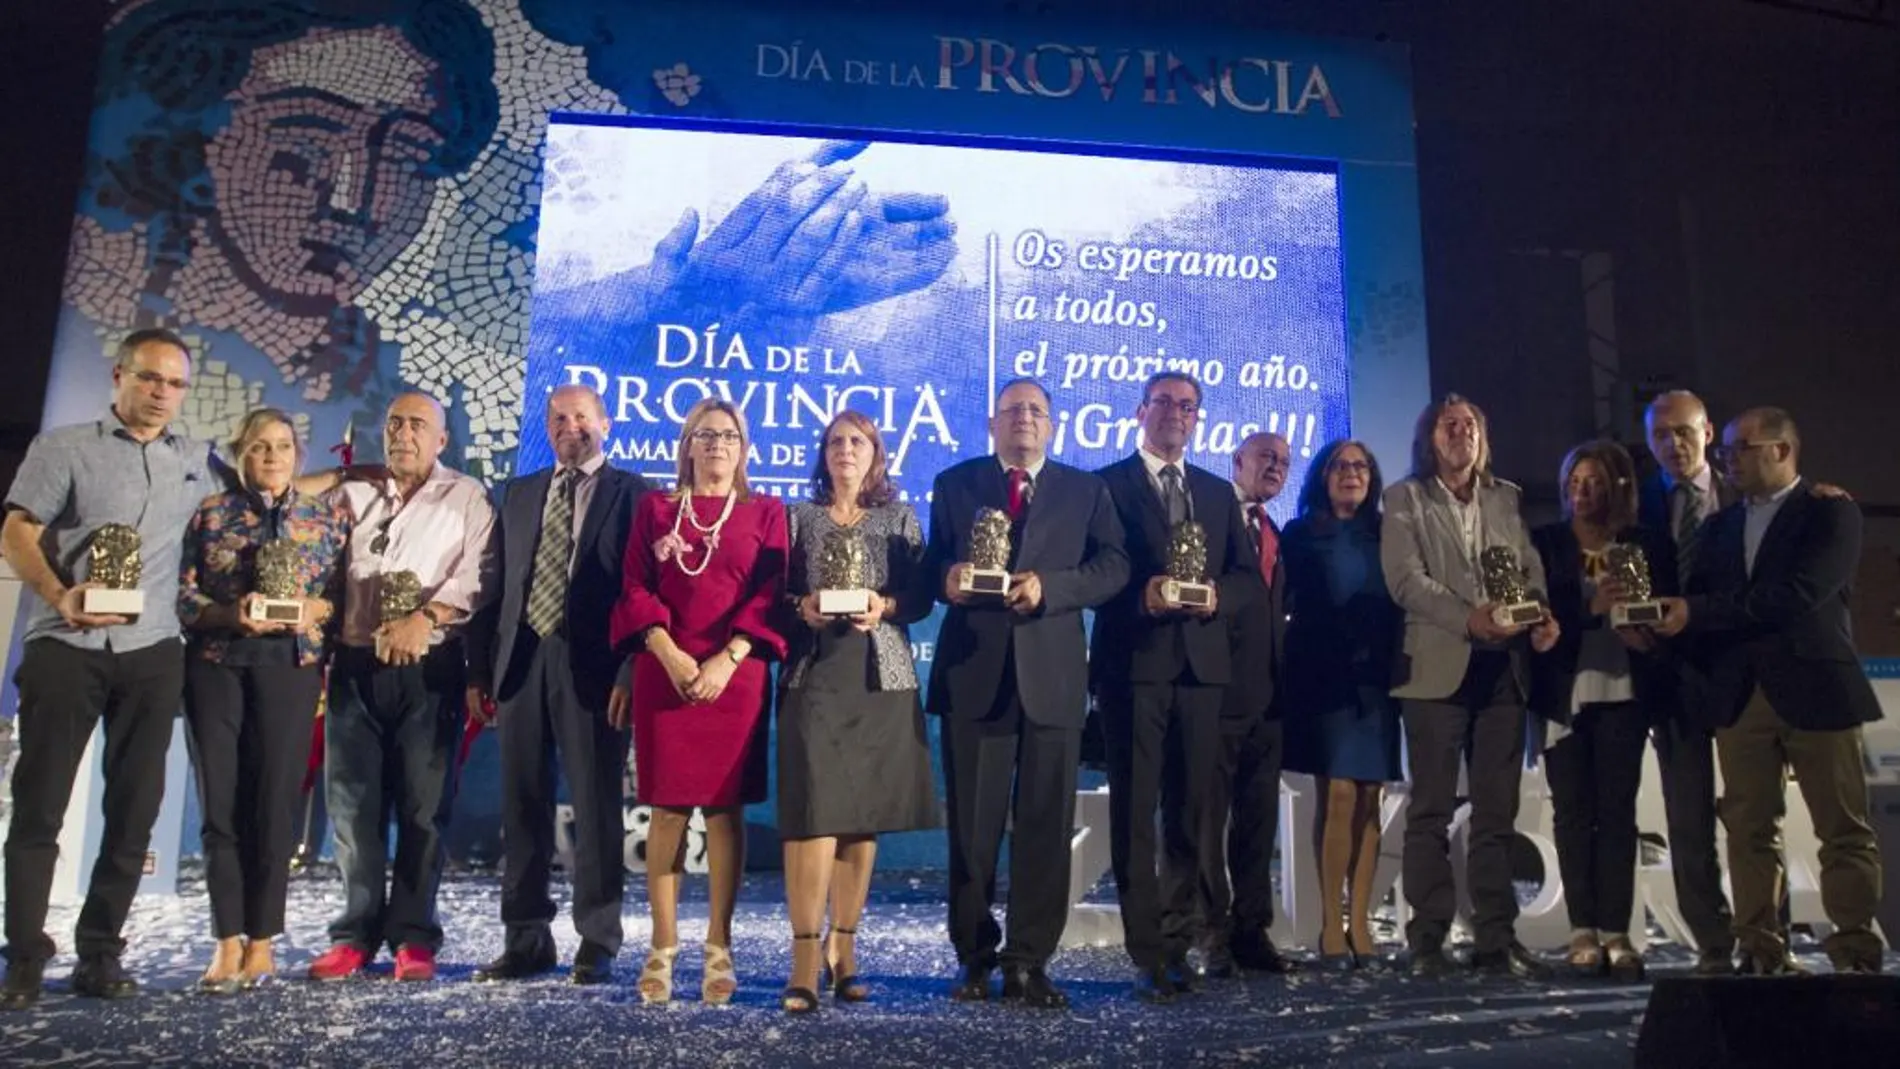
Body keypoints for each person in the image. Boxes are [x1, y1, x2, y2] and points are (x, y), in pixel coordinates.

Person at [0, 330, 222, 1007]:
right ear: (120, 375)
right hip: (66, 646)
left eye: (175, 384)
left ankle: (101, 953)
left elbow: (265, 489)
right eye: (150, 379)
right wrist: (59, 593)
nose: (162, 394)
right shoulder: (64, 447)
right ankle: (25, 958)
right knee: (39, 806)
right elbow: (16, 527)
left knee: (133, 812)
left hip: (152, 653)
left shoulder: (194, 459)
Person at [1656, 407, 1885, 975]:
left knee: (1842, 829)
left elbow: (1797, 595)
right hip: (1740, 696)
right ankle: (1761, 950)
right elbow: (1701, 605)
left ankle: (1856, 951)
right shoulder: (1719, 526)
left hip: (1817, 688)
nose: (1726, 460)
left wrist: (1700, 611)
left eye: (1740, 449)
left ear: (1782, 451)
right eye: (1727, 450)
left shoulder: (1831, 513)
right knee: (1749, 829)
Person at [925, 378, 1128, 1009]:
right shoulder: (955, 483)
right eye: (1013, 411)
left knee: (1043, 829)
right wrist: (947, 577)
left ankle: (1030, 961)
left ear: (1052, 426)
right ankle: (976, 959)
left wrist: (1054, 589)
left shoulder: (1086, 490)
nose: (1024, 420)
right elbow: (928, 564)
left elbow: (1115, 566)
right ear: (992, 424)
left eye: (1036, 411)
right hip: (975, 676)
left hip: (1053, 679)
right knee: (973, 832)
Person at [307, 392, 496, 983]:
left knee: (422, 810)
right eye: (394, 424)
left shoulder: (465, 495)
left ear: (442, 440)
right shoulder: (352, 493)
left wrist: (428, 617)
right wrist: (343, 472)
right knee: (353, 808)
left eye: (418, 425)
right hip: (356, 666)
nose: (404, 434)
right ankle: (354, 934)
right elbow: (288, 495)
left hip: (430, 671)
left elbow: (480, 576)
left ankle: (414, 936)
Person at [465, 386, 650, 985]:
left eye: (582, 417)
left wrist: (630, 668)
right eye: (559, 420)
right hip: (521, 662)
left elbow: (643, 592)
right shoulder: (519, 493)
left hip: (595, 668)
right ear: (548, 429)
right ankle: (525, 938)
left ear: (606, 424)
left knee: (597, 805)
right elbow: (494, 589)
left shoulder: (636, 495)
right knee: (521, 804)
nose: (571, 427)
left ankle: (597, 940)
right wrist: (479, 669)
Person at [608, 398, 788, 1006]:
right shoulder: (655, 508)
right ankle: (662, 945)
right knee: (666, 812)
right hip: (665, 672)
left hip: (734, 678)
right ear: (686, 445)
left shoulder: (767, 512)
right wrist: (668, 653)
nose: (717, 444)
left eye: (729, 436)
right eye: (704, 435)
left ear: (743, 448)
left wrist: (726, 658)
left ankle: (719, 945)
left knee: (724, 811)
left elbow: (770, 595)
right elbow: (633, 585)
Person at [1092, 372, 1256, 1003]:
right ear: (1141, 412)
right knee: (1135, 813)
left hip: (1201, 671)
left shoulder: (1217, 494)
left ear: (1198, 420)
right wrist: (1142, 594)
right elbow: (1096, 571)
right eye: (1165, 403)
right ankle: (1146, 949)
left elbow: (1244, 579)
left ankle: (1177, 938)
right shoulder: (1105, 485)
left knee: (1190, 813)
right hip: (1133, 664)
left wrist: (1217, 596)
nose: (1176, 415)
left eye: (1188, 407)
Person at [1382, 393, 1559, 979]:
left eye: (1471, 425)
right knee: (1431, 809)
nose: (1461, 433)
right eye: (1449, 425)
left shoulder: (1505, 497)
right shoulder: (1404, 498)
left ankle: (1495, 937)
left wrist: (1540, 614)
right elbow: (1406, 581)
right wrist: (1467, 619)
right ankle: (1427, 938)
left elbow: (1528, 568)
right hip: (1436, 668)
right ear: (1430, 439)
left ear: (1483, 437)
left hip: (1502, 671)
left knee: (1495, 813)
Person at [177, 409, 349, 993]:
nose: (271, 457)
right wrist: (230, 615)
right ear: (241, 454)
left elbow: (338, 598)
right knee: (220, 807)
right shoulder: (211, 514)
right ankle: (226, 939)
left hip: (291, 672)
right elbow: (184, 597)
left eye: (281, 447)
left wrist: (312, 612)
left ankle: (263, 941)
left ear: (298, 456)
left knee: (274, 808)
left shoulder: (323, 521)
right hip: (216, 669)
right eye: (258, 447)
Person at [776, 410, 940, 1013]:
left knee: (860, 817)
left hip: (880, 678)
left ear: (876, 454)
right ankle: (802, 960)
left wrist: (886, 603)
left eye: (858, 442)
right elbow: (773, 595)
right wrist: (803, 607)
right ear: (823, 454)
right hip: (814, 674)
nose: (846, 450)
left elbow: (922, 597)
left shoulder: (900, 519)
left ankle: (843, 951)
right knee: (814, 814)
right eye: (836, 442)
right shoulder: (797, 519)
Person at [1529, 440, 1676, 981]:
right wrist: (1590, 608)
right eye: (1574, 482)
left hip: (1624, 690)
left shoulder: (1646, 543)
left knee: (1617, 813)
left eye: (1592, 481)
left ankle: (1617, 930)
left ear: (1617, 485)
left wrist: (1646, 635)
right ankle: (1581, 930)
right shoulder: (1545, 542)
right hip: (1564, 693)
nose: (1581, 492)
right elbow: (1533, 607)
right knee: (1572, 813)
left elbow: (1664, 609)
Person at [1281, 439, 1403, 970]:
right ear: (1322, 477)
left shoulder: (1390, 531)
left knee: (1371, 797)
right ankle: (1331, 920)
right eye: (1339, 466)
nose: (1350, 474)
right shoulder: (1301, 533)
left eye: (1360, 466)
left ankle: (1362, 922)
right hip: (1324, 677)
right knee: (1338, 796)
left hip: (1377, 678)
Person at [1635, 389, 1740, 974]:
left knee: (1754, 817)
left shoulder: (1743, 494)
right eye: (1660, 436)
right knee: (1687, 820)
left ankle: (1762, 933)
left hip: (1742, 672)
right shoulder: (1639, 505)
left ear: (1707, 432)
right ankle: (1713, 943)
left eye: (1683, 432)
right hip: (1671, 678)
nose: (1673, 445)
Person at [1190, 431, 1295, 977]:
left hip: (1269, 700)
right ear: (1237, 461)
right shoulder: (1208, 516)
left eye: (1283, 461)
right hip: (1217, 691)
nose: (1275, 467)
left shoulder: (1276, 531)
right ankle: (1212, 932)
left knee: (1257, 824)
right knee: (1209, 821)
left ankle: (1253, 932)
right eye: (1265, 457)